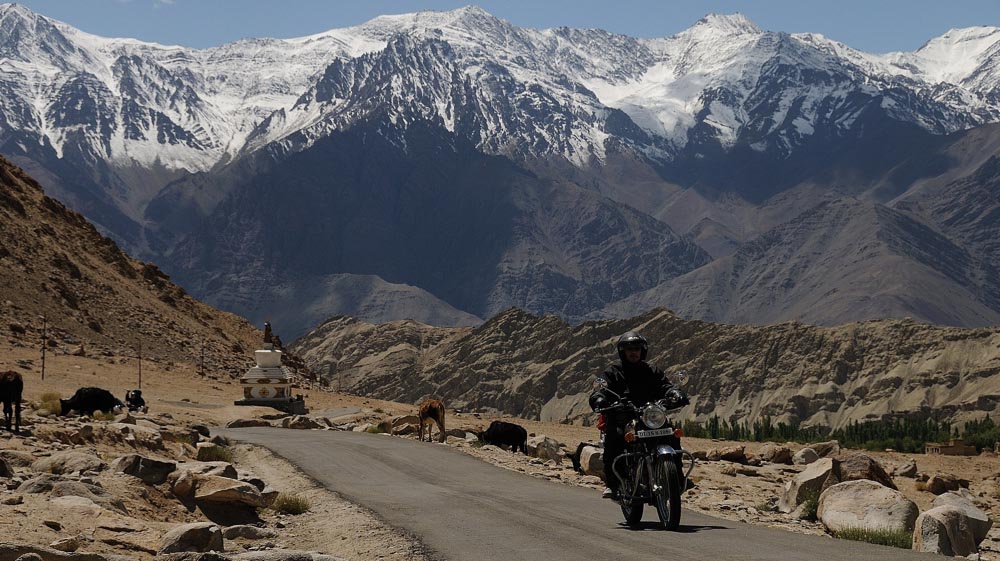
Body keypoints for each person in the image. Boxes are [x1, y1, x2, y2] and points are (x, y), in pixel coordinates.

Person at [589, 331, 689, 500]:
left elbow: (665, 386)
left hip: (650, 416)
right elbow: (601, 390)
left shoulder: (652, 370)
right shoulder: (613, 372)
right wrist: (600, 399)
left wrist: (675, 393)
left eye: (636, 348)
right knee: (616, 437)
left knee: (672, 435)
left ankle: (677, 477)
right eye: (629, 349)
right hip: (623, 416)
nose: (633, 352)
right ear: (623, 352)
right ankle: (613, 484)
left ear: (642, 351)